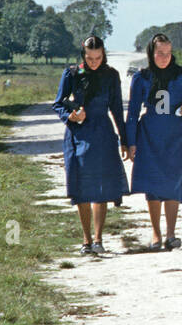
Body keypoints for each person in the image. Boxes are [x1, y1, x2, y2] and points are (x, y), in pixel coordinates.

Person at [52, 35, 129, 255]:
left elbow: (116, 108)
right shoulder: (72, 73)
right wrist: (71, 116)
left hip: (103, 134)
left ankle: (98, 239)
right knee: (82, 186)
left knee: (101, 187)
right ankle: (85, 240)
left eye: (98, 57)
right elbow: (58, 104)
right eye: (90, 58)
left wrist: (124, 139)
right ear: (83, 55)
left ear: (103, 54)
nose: (94, 62)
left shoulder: (111, 75)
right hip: (78, 134)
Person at [126, 33, 182, 251]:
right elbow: (132, 113)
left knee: (173, 183)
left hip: (177, 137)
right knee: (153, 185)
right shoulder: (141, 77)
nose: (164, 57)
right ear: (151, 53)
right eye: (160, 53)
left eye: (168, 53)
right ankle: (156, 233)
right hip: (148, 136)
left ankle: (171, 234)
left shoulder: (181, 74)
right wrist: (130, 142)